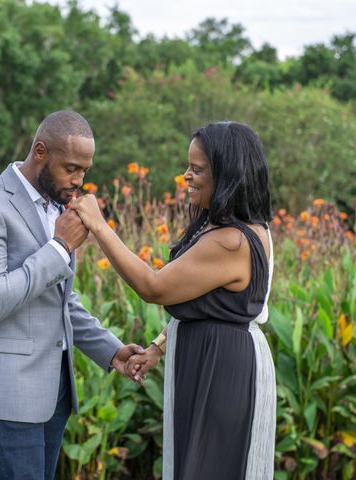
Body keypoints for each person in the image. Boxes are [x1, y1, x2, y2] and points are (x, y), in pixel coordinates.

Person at [70, 121, 276, 480]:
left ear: (226, 175)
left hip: (221, 371)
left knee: (210, 468)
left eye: (196, 169)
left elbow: (154, 287)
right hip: (211, 360)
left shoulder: (231, 240)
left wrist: (100, 226)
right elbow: (208, 303)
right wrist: (159, 347)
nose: (186, 176)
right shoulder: (231, 228)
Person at [0, 110, 144, 480]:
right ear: (40, 151)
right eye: (71, 168)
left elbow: (59, 301)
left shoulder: (56, 207)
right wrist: (59, 248)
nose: (78, 181)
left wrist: (111, 350)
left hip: (51, 396)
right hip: (8, 397)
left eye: (85, 171)